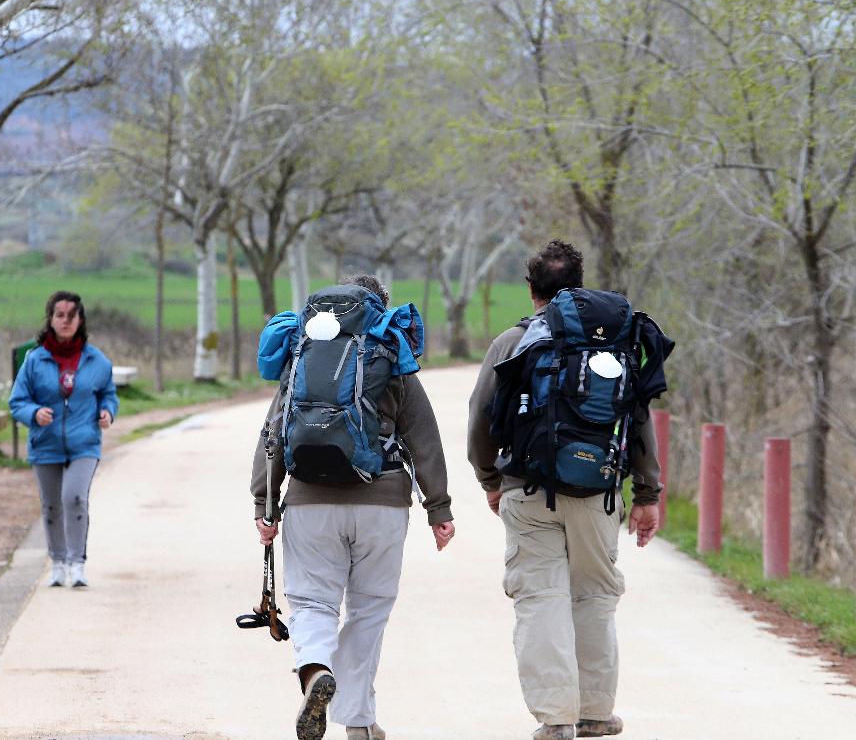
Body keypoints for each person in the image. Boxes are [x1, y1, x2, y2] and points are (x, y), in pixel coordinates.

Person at [466, 241, 662, 740]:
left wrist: (491, 480)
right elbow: (637, 418)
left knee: (540, 597)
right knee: (595, 595)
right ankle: (597, 712)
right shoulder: (613, 340)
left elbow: (480, 420)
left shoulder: (513, 342)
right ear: (578, 283)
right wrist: (647, 494)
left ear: (531, 289)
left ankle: (556, 720)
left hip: (527, 490)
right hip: (599, 491)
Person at [251, 275, 455, 740]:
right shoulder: (391, 354)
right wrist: (438, 509)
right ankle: (358, 723)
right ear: (378, 310)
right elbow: (424, 437)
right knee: (369, 611)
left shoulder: (303, 358)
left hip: (308, 501)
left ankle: (315, 672)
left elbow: (273, 435)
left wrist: (265, 503)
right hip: (382, 501)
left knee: (312, 602)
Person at [10, 290, 119, 589]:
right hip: (45, 445)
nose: (66, 320)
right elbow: (17, 401)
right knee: (51, 505)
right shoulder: (34, 360)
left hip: (84, 443)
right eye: (60, 315)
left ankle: (77, 563)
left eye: (72, 315)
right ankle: (57, 564)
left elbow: (108, 395)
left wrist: (108, 412)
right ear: (51, 319)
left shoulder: (97, 361)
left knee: (74, 497)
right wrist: (34, 413)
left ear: (80, 320)